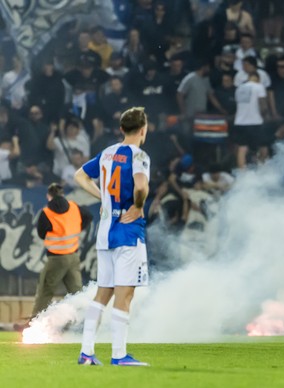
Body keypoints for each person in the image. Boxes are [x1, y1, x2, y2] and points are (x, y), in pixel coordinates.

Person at [74, 107, 151, 366]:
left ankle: (86, 353)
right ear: (143, 129)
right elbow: (141, 186)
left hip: (105, 234)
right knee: (124, 294)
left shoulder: (107, 153)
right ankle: (119, 354)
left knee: (103, 293)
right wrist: (138, 206)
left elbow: (80, 175)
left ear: (121, 129)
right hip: (128, 233)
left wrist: (103, 197)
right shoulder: (139, 155)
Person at [14, 183, 93, 331]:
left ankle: (34, 324)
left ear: (48, 196)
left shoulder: (47, 212)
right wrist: (78, 228)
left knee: (45, 291)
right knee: (77, 293)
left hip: (56, 258)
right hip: (73, 256)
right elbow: (89, 216)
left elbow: (41, 233)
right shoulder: (74, 207)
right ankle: (84, 324)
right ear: (63, 194)